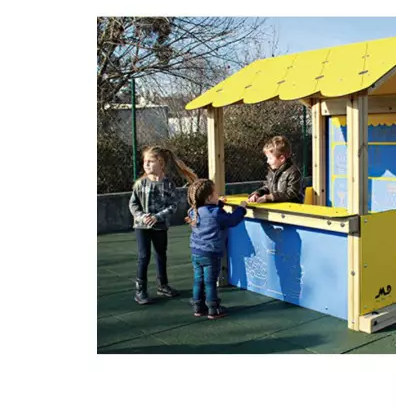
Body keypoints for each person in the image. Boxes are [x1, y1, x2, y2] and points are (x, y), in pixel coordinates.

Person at [129, 145, 197, 305]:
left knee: (161, 254)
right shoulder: (140, 184)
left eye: (150, 161)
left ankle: (163, 285)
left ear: (160, 163)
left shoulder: (168, 184)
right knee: (143, 256)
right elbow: (133, 204)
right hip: (142, 227)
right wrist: (142, 216)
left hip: (160, 227)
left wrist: (157, 217)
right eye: (145, 161)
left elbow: (173, 205)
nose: (146, 164)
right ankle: (140, 291)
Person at [186, 178, 247, 319]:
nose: (217, 195)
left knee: (198, 279)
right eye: (215, 194)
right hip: (211, 253)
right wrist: (242, 208)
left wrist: (219, 202)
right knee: (210, 281)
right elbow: (232, 220)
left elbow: (208, 209)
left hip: (196, 251)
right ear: (208, 198)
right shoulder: (216, 213)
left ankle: (198, 306)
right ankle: (213, 308)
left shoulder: (193, 211)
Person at [248, 136, 303, 204]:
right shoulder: (272, 172)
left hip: (292, 210)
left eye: (270, 158)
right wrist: (257, 194)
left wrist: (269, 197)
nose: (267, 161)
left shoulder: (293, 172)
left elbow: (292, 193)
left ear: (282, 158)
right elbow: (267, 187)